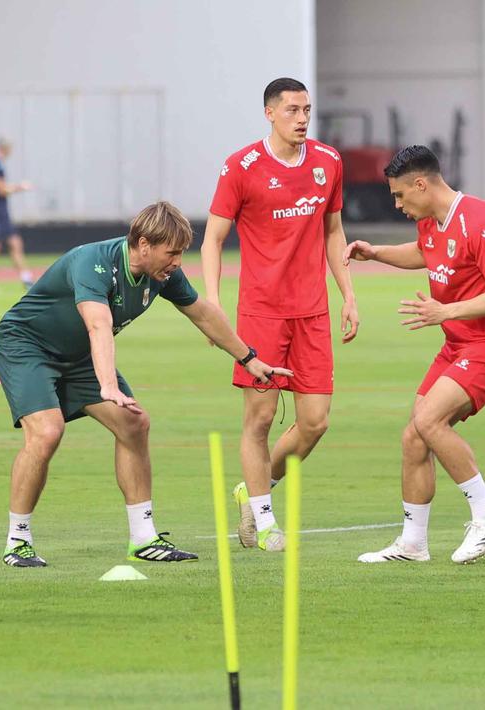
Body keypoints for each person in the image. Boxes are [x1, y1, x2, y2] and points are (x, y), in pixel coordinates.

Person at [0, 201, 288, 567]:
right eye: (173, 252)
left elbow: (203, 314)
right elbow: (98, 325)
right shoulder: (93, 262)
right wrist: (108, 386)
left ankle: (143, 538)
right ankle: (17, 540)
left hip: (79, 353)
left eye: (181, 253)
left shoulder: (162, 274)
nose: (178, 261)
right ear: (144, 244)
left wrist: (249, 358)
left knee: (134, 424)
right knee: (47, 432)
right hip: (27, 345)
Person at [343, 145, 485, 564]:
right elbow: (424, 254)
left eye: (399, 196)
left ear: (421, 184)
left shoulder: (480, 222)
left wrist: (446, 311)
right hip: (460, 344)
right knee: (414, 434)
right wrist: (376, 253)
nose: (397, 204)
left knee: (429, 419)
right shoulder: (432, 222)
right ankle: (413, 543)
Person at [201, 77, 359, 552]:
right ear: (270, 113)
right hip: (262, 313)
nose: (302, 119)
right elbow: (212, 239)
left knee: (315, 422)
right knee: (262, 417)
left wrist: (348, 294)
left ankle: (253, 493)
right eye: (292, 110)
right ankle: (266, 522)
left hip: (311, 312)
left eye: (307, 110)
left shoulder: (328, 162)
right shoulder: (241, 167)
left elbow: (334, 231)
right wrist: (212, 302)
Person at [0, 137, 34, 287]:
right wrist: (21, 187)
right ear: (4, 148)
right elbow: (1, 189)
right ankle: (26, 278)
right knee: (13, 243)